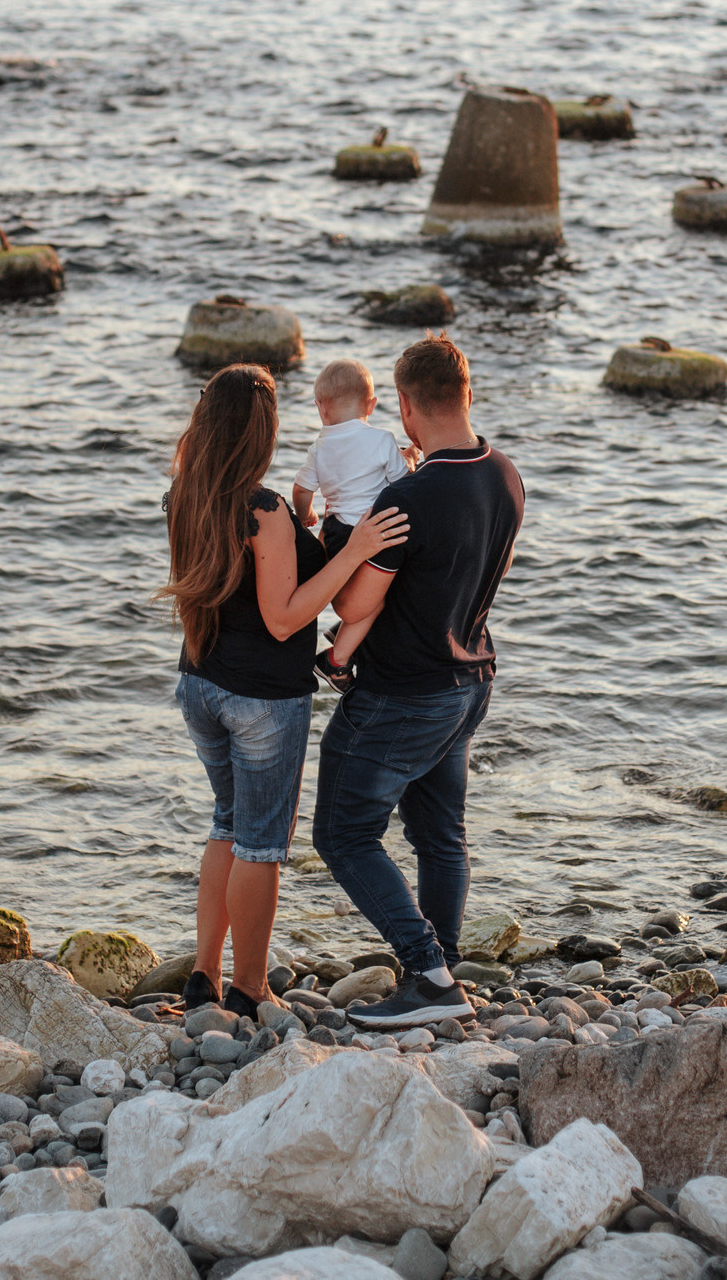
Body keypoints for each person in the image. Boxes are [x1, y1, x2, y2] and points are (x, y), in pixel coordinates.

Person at [163, 363, 408, 1015]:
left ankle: (204, 975)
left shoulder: (185, 490)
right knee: (262, 843)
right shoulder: (262, 508)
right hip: (261, 698)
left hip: (199, 681)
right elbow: (284, 616)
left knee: (225, 824)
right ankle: (249, 987)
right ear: (261, 431)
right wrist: (354, 550)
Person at [309, 334, 525, 1029]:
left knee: (343, 833)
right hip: (470, 680)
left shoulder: (407, 498)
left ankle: (427, 973)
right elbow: (499, 568)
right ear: (464, 395)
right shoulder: (506, 474)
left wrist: (348, 547)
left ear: (404, 405)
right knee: (439, 832)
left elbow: (352, 606)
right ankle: (443, 964)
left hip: (402, 692)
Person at [287, 358, 415, 687]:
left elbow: (301, 489)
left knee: (356, 593)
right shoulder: (383, 439)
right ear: (371, 404)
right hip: (369, 533)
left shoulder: (319, 448)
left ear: (320, 407)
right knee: (379, 599)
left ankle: (341, 632)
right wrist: (411, 461)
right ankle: (336, 661)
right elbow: (404, 485)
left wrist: (306, 516)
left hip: (333, 532)